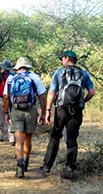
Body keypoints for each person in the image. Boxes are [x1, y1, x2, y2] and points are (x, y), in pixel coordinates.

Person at [39, 50, 95, 180]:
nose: (61, 61)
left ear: (67, 58)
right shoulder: (84, 73)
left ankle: (46, 166)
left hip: (61, 110)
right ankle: (69, 168)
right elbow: (92, 92)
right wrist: (82, 101)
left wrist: (47, 111)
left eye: (62, 58)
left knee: (55, 136)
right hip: (76, 111)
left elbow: (52, 93)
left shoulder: (59, 72)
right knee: (72, 139)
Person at [3, 57, 46, 178]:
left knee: (18, 140)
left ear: (17, 67)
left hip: (16, 110)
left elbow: (6, 97)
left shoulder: (11, 78)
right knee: (27, 138)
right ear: (28, 66)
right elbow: (42, 96)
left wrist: (6, 112)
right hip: (30, 110)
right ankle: (26, 162)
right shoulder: (34, 77)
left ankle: (19, 166)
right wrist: (43, 113)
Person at [0, 59, 15, 144]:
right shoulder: (13, 76)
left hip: (1, 99)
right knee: (10, 119)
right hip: (12, 100)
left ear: (3, 67)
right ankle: (12, 138)